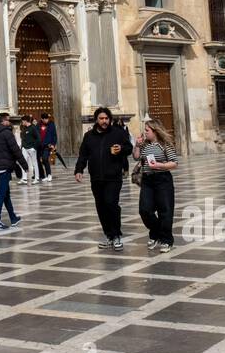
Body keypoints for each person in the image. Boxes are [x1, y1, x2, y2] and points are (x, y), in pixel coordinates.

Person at [74, 106, 133, 250]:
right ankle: (109, 235)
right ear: (96, 120)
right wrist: (79, 170)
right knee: (101, 207)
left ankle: (117, 235)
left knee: (111, 204)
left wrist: (121, 149)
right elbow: (83, 154)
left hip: (113, 176)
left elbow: (129, 148)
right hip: (96, 178)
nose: (104, 121)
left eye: (107, 118)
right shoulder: (89, 136)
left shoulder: (118, 133)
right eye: (101, 118)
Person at [133, 118, 179, 252]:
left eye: (147, 130)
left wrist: (161, 165)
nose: (145, 133)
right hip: (147, 180)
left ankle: (166, 240)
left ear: (155, 131)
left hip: (162, 179)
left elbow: (174, 163)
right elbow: (136, 157)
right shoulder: (144, 145)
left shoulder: (165, 145)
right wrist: (136, 145)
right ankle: (157, 232)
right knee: (144, 210)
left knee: (165, 211)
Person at [36, 112, 58, 181]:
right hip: (40, 145)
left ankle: (49, 175)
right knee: (38, 160)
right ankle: (42, 175)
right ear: (42, 119)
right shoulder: (38, 125)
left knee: (45, 159)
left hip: (47, 145)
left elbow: (54, 135)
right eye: (45, 119)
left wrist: (53, 144)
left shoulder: (51, 124)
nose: (46, 120)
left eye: (47, 119)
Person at [18, 115, 40, 184]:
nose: (22, 122)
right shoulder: (24, 128)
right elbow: (23, 139)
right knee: (23, 162)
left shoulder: (33, 128)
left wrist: (34, 147)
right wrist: (22, 147)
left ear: (25, 121)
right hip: (24, 148)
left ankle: (36, 178)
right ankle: (24, 178)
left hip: (31, 148)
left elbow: (38, 139)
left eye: (22, 121)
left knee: (34, 163)